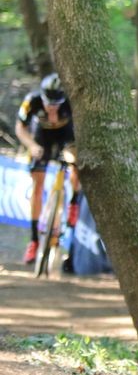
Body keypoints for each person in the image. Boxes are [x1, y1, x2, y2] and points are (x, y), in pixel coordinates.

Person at [15, 74, 82, 270]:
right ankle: (34, 240)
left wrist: (72, 153)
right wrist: (31, 145)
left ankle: (73, 201)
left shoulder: (70, 103)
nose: (52, 108)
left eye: (56, 104)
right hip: (40, 136)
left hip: (64, 135)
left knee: (75, 161)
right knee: (38, 184)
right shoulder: (32, 101)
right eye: (48, 104)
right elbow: (20, 128)